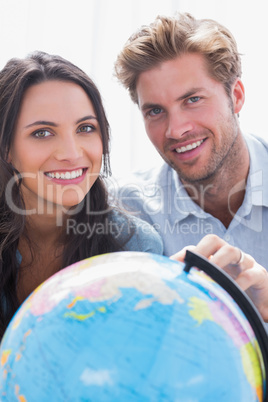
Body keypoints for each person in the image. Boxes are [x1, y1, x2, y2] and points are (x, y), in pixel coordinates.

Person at [0, 51, 164, 339]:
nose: (72, 154)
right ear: (7, 150)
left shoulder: (135, 246)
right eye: (42, 133)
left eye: (86, 128)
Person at [113, 12, 268, 268]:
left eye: (193, 100)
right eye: (155, 111)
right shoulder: (127, 209)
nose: (175, 130)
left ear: (236, 96)